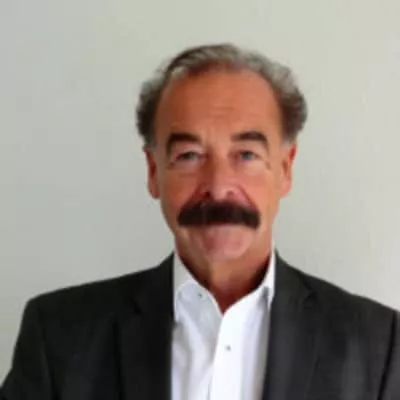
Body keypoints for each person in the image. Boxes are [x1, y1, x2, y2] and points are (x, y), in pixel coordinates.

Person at [1, 43, 399, 400]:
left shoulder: (379, 345)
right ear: (154, 171)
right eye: (189, 156)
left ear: (285, 168)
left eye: (246, 155)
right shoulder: (59, 337)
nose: (219, 186)